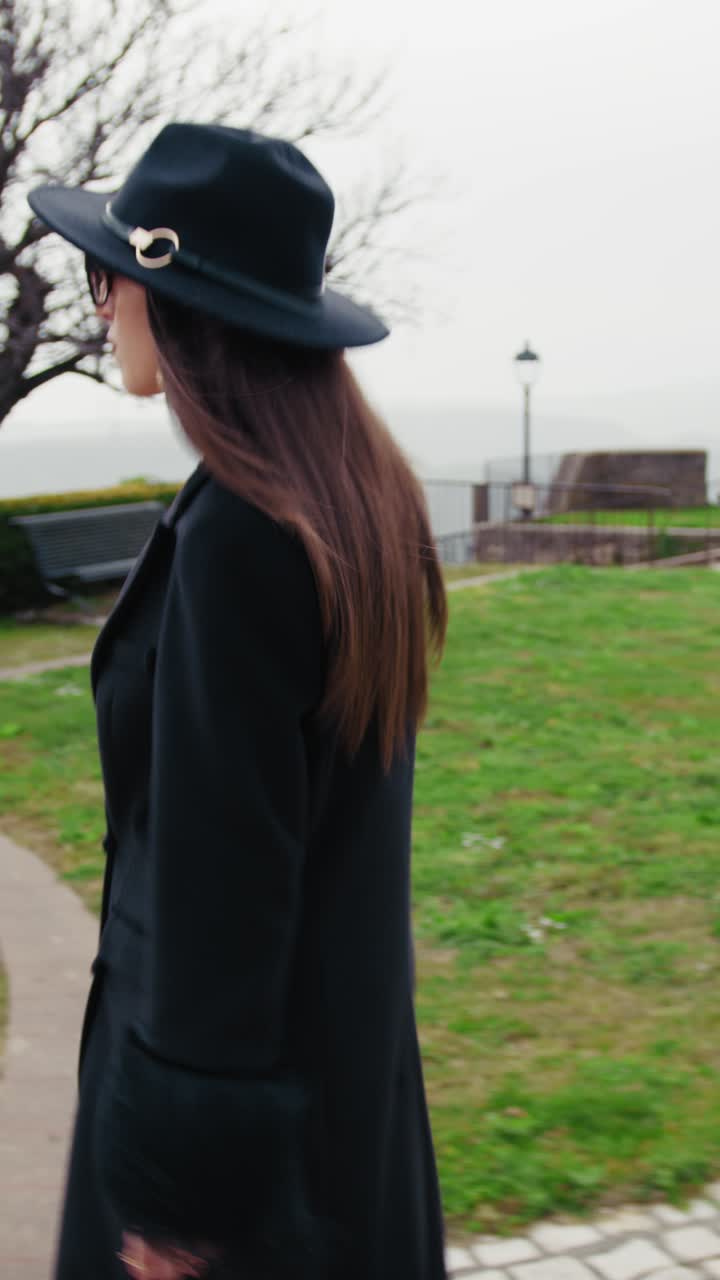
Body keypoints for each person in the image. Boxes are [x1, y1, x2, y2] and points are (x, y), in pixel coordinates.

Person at [28, 122, 449, 1280]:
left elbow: (225, 885)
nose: (100, 297)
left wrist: (182, 1199)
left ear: (181, 296)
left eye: (106, 272)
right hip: (341, 1078)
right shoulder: (355, 499)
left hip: (240, 1149)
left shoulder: (240, 535)